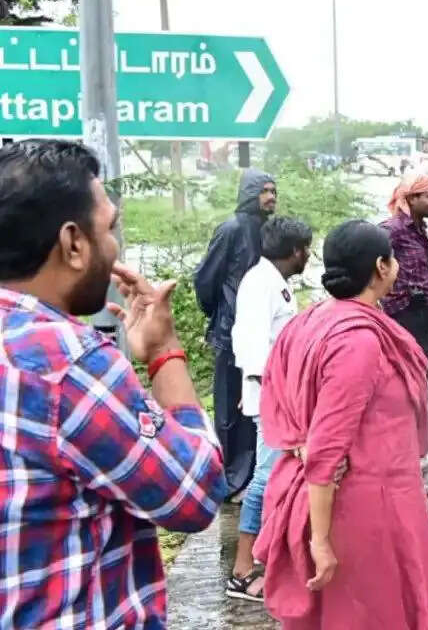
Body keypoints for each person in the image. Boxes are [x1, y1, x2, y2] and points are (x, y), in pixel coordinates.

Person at [0, 139, 226, 628]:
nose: (113, 247)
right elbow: (195, 493)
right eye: (109, 228)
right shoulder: (67, 364)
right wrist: (164, 351)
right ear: (73, 243)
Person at [253, 220, 428, 629]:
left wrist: (300, 446)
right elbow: (326, 449)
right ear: (381, 267)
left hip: (363, 498)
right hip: (362, 510)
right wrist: (320, 541)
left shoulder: (309, 321)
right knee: (371, 614)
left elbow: (278, 400)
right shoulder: (358, 342)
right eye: (392, 258)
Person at [227, 217, 313, 602]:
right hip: (273, 396)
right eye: (306, 249)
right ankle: (242, 570)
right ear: (294, 251)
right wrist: (267, 390)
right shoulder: (259, 283)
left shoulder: (275, 283)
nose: (308, 256)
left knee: (277, 474)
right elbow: (251, 344)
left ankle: (270, 557)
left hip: (276, 393)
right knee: (265, 477)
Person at [195, 168, 276, 499]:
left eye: (274, 191)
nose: (271, 197)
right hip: (231, 334)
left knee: (256, 405)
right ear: (250, 194)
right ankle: (228, 481)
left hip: (260, 333)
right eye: (264, 191)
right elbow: (206, 279)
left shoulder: (268, 231)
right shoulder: (230, 230)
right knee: (229, 410)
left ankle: (252, 476)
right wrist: (221, 315)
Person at [379, 172, 428, 379]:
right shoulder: (393, 229)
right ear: (412, 199)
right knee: (410, 380)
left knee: (421, 376)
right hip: (403, 317)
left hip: (420, 317)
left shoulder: (418, 229)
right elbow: (369, 259)